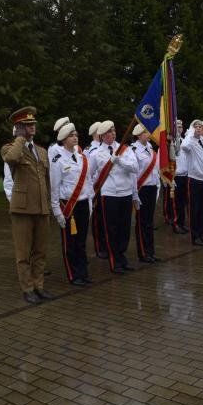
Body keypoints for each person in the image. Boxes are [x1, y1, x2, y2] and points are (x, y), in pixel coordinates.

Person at [1, 106, 53, 304]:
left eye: (33, 124)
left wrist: (47, 203)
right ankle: (27, 288)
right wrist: (20, 138)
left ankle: (39, 286)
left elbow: (46, 180)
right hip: (22, 209)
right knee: (23, 253)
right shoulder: (9, 148)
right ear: (19, 127)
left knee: (40, 251)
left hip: (41, 208)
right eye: (27, 125)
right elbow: (12, 159)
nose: (32, 128)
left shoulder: (41, 151)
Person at [88, 120, 140, 273]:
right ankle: (114, 261)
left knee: (125, 228)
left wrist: (120, 161)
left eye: (113, 131)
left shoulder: (125, 150)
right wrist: (91, 195)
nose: (112, 134)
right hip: (109, 194)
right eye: (108, 132)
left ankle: (122, 257)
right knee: (111, 228)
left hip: (125, 193)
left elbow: (135, 168)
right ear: (102, 136)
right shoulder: (96, 154)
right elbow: (90, 176)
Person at [50, 120, 94, 286]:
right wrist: (57, 211)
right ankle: (73, 275)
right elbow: (54, 188)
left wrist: (89, 203)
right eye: (71, 135)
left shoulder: (82, 158)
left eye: (75, 135)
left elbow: (88, 182)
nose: (75, 137)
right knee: (70, 242)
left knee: (82, 241)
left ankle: (83, 273)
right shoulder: (58, 160)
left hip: (82, 203)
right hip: (67, 205)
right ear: (63, 138)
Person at [131, 124, 161, 263]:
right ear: (138, 134)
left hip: (152, 187)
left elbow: (155, 170)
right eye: (145, 132)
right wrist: (134, 193)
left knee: (149, 222)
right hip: (141, 189)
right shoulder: (134, 150)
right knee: (142, 222)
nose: (147, 133)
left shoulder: (150, 147)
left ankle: (151, 251)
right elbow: (133, 174)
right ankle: (143, 253)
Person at [181, 120, 203, 246]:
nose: (199, 129)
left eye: (200, 126)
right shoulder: (189, 142)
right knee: (194, 209)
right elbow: (183, 147)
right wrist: (190, 133)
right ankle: (195, 237)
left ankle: (202, 234)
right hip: (194, 179)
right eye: (196, 127)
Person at [85, 121, 108, 260]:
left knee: (107, 218)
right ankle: (100, 247)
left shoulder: (105, 147)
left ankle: (107, 244)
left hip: (108, 187)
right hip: (96, 187)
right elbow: (88, 172)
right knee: (98, 218)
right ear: (96, 133)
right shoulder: (89, 150)